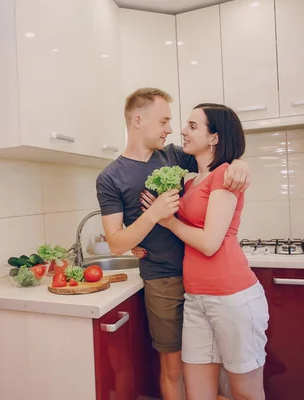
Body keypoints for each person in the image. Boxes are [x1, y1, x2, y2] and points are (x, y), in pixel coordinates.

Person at [95, 88, 251, 400]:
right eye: (164, 121)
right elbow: (115, 243)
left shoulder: (174, 155)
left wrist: (241, 165)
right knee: (174, 369)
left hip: (205, 276)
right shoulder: (110, 178)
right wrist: (152, 215)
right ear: (139, 120)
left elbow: (219, 159)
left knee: (215, 367)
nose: (172, 129)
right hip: (162, 279)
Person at [139, 103, 269, 400]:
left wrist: (168, 222)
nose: (183, 131)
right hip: (195, 298)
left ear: (214, 137)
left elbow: (210, 243)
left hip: (232, 298)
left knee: (245, 393)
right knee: (198, 393)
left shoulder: (226, 174)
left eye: (193, 126)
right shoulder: (191, 179)